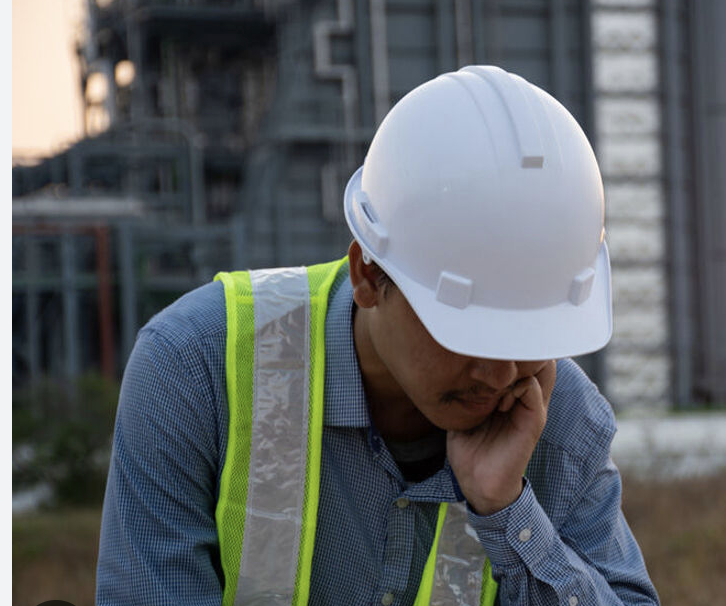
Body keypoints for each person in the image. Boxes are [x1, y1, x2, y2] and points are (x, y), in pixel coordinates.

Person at [96, 65, 660, 606]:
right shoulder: (197, 369)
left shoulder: (561, 424)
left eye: (529, 338)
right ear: (368, 275)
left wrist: (508, 511)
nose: (501, 375)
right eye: (467, 334)